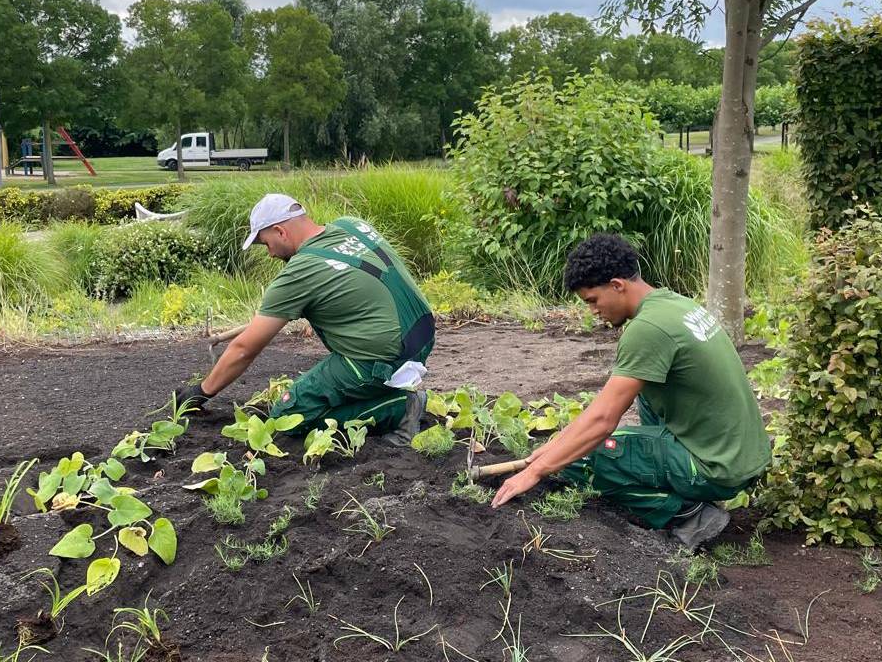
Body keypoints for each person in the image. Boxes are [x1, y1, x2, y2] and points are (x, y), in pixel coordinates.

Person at [490, 233, 770, 550]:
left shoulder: (647, 329)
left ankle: (688, 514)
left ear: (617, 285)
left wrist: (539, 468)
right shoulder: (673, 304)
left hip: (716, 468)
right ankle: (677, 481)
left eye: (592, 300)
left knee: (589, 454)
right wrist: (556, 444)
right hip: (742, 454)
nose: (592, 311)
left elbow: (602, 420)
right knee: (642, 394)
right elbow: (607, 406)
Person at [174, 193, 435, 445]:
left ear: (280, 231)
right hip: (421, 337)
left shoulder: (301, 270)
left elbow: (244, 349)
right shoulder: (352, 225)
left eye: (266, 244)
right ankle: (382, 391)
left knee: (288, 417)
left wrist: (201, 391)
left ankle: (399, 408)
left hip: (378, 360)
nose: (271, 254)